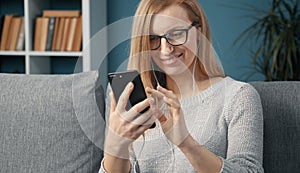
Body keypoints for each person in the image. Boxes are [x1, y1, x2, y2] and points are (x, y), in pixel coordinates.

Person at [100, 0, 264, 172]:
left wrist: (186, 143)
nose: (165, 50)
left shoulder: (237, 96)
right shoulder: (132, 97)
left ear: (199, 32)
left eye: (176, 33)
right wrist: (116, 144)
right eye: (153, 38)